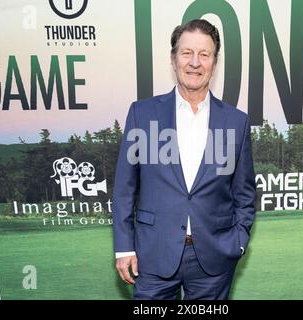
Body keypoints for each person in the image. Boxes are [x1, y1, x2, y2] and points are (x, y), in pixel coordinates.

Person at [112, 19, 256, 300]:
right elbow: (124, 188)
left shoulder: (235, 122)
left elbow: (245, 193)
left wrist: (237, 242)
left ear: (214, 62)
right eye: (187, 52)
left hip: (214, 261)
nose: (195, 62)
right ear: (173, 58)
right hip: (152, 256)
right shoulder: (143, 114)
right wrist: (124, 247)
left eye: (204, 54)